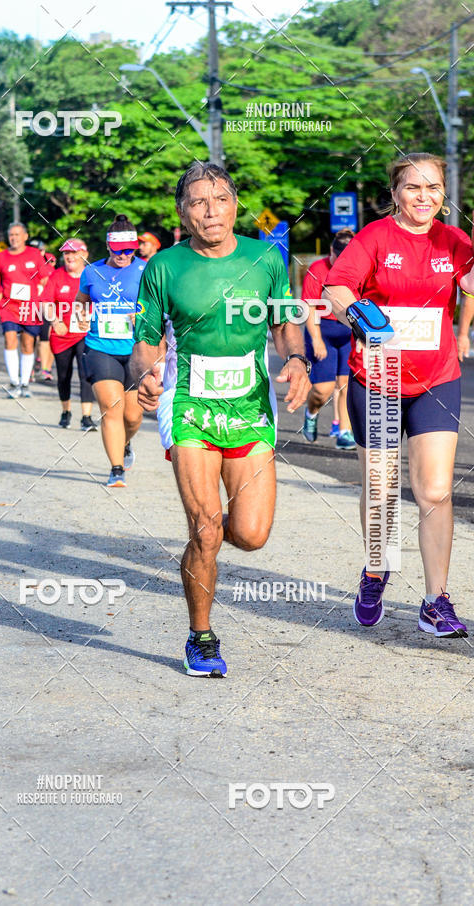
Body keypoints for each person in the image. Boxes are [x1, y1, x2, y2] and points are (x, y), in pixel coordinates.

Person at [131, 162, 311, 677]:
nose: (211, 211)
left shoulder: (265, 259)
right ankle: (201, 636)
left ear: (236, 203)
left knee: (251, 535)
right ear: (182, 212)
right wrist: (144, 375)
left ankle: (200, 543)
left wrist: (296, 360)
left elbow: (285, 323)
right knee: (208, 528)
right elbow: (145, 343)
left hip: (252, 406)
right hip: (189, 402)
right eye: (198, 201)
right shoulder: (164, 266)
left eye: (221, 199)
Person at [323, 152, 474, 639]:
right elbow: (337, 286)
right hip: (379, 378)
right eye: (414, 187)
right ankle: (375, 571)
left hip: (437, 378)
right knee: (383, 490)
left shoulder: (454, 241)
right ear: (395, 193)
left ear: (444, 194)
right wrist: (358, 315)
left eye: (434, 188)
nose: (424, 196)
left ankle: (436, 600)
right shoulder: (374, 238)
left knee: (434, 490)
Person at [77, 214, 146, 487]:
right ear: (108, 247)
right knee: (111, 408)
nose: (125, 255)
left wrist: (140, 315)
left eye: (130, 249)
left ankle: (125, 443)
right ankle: (116, 468)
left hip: (136, 350)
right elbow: (81, 300)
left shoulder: (146, 270)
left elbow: (159, 307)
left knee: (133, 416)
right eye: (119, 250)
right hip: (100, 347)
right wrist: (81, 316)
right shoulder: (92, 272)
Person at [302, 229, 356, 451]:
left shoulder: (357, 269)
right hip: (322, 330)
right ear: (331, 251)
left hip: (347, 332)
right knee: (323, 390)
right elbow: (309, 308)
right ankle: (311, 413)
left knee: (346, 386)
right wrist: (316, 340)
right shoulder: (317, 269)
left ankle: (344, 432)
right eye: (337, 258)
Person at [0, 223, 52, 397]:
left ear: (25, 236)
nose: (14, 238)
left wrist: (44, 297)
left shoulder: (34, 255)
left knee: (28, 344)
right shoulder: (1, 257)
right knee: (9, 340)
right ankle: (14, 382)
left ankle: (24, 383)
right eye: (11, 235)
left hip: (30, 307)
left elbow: (46, 279)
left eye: (17, 234)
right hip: (9, 307)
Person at [41, 238, 97, 430]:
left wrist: (92, 319)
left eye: (74, 252)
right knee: (63, 375)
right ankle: (66, 411)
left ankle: (86, 417)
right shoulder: (57, 276)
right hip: (62, 335)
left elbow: (101, 301)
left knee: (85, 374)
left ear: (84, 254)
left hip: (84, 333)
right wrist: (55, 322)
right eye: (66, 253)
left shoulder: (92, 274)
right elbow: (46, 303)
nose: (70, 256)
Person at [30, 238, 57, 382]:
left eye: (38, 251)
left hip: (44, 306)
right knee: (30, 338)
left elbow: (51, 284)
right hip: (28, 306)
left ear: (43, 251)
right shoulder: (24, 265)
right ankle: (29, 370)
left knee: (46, 338)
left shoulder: (47, 268)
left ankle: (45, 369)